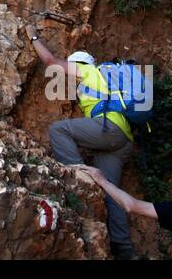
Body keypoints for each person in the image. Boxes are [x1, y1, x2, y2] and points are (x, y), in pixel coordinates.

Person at [27, 36, 137, 259]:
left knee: (59, 130)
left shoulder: (89, 72)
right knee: (111, 192)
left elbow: (49, 60)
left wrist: (33, 36)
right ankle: (124, 249)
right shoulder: (105, 80)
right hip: (122, 140)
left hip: (109, 129)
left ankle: (75, 178)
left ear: (79, 65)